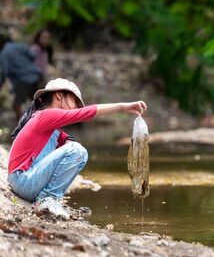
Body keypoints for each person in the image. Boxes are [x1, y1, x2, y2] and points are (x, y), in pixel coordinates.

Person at [7, 78, 147, 219]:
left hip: (25, 181)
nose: (76, 108)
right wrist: (123, 107)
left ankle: (48, 198)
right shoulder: (45, 115)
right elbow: (86, 114)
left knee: (75, 149)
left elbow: (67, 143)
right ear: (59, 95)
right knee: (77, 150)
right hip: (23, 181)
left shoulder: (52, 129)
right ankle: (47, 199)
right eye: (75, 102)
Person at [0, 33, 43, 120]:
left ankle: (21, 127)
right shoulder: (21, 46)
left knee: (16, 104)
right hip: (36, 76)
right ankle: (44, 120)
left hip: (24, 80)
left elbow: (5, 71)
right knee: (37, 101)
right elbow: (32, 56)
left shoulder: (3, 54)